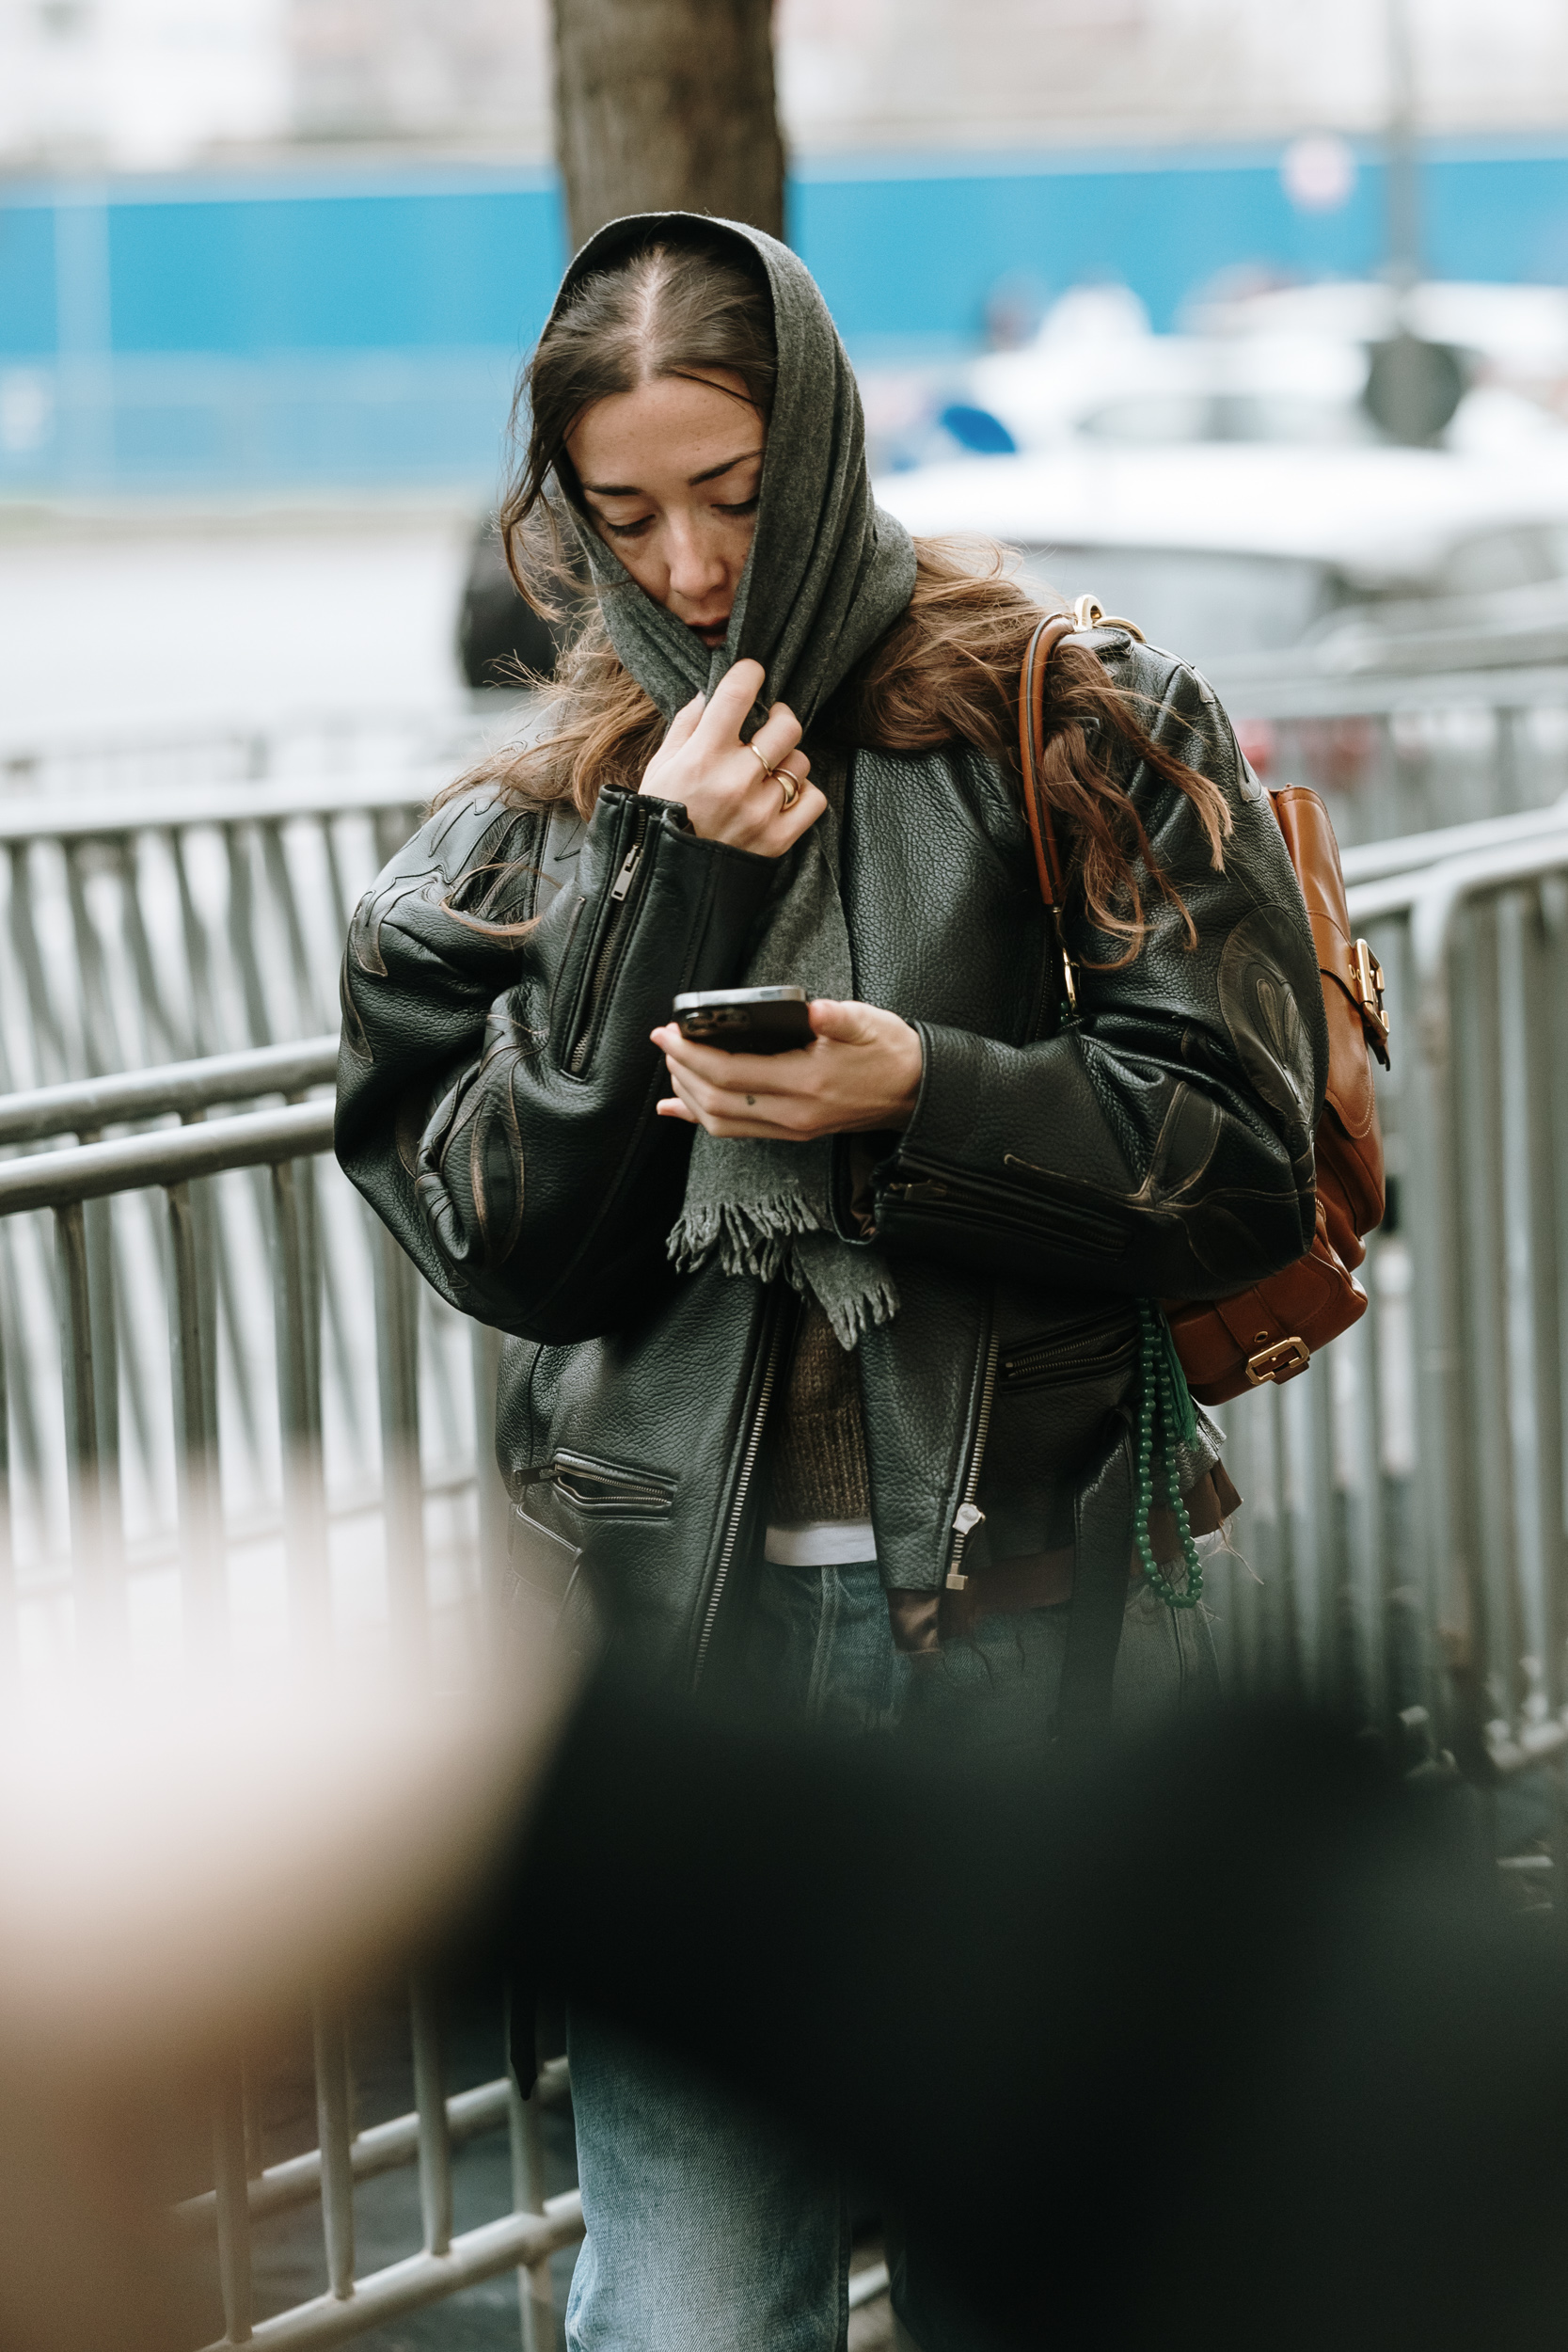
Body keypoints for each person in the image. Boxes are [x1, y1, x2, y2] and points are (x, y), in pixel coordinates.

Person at [335, 212, 1327, 2351]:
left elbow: (1241, 1151)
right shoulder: (547, 816)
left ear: (830, 439)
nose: (691, 567)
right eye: (627, 511)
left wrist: (925, 1096)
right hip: (690, 1670)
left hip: (1029, 1636)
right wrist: (665, 870)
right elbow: (500, 1236)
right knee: (686, 2310)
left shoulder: (1072, 706)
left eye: (735, 494)